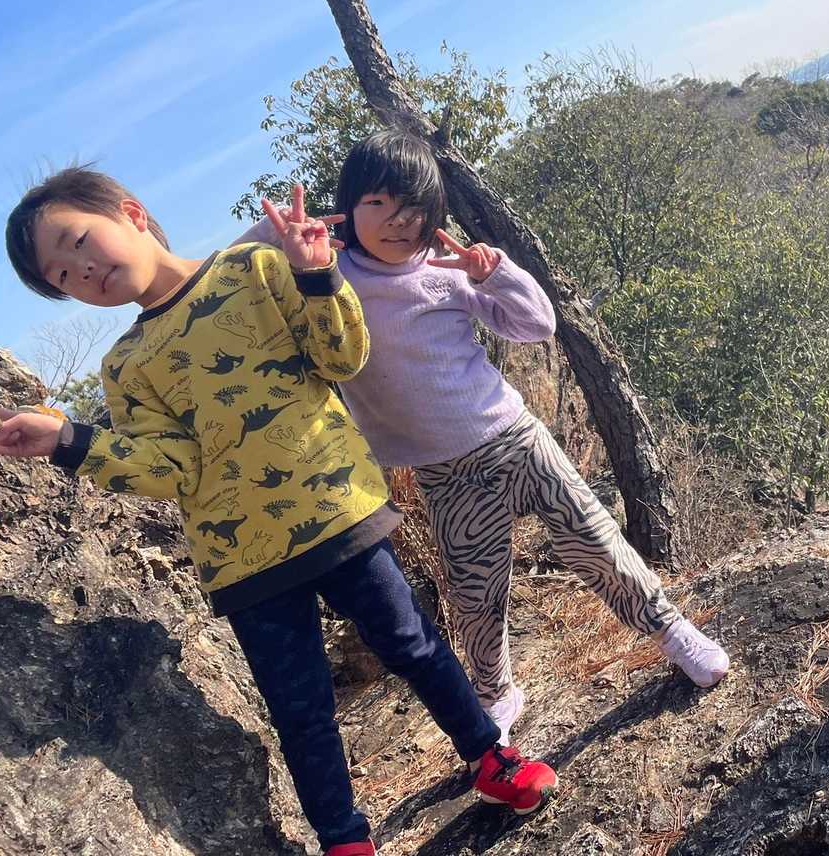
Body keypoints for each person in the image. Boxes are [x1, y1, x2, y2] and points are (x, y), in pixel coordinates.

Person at [0, 168, 558, 856]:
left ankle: (491, 758)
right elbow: (170, 468)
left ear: (130, 213)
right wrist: (69, 441)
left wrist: (316, 276)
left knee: (412, 642)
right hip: (243, 560)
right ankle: (345, 841)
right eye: (61, 275)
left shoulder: (253, 268)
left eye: (78, 241)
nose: (81, 271)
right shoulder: (126, 366)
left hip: (338, 510)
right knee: (301, 711)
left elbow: (342, 357)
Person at [236, 130, 728, 744]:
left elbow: (537, 325)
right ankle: (498, 691)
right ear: (347, 207)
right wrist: (270, 235)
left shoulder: (447, 271)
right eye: (377, 204)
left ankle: (673, 632)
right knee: (475, 597)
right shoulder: (329, 276)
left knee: (596, 543)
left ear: (434, 212)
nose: (397, 221)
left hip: (514, 437)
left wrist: (498, 275)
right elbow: (231, 283)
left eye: (412, 207)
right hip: (444, 473)